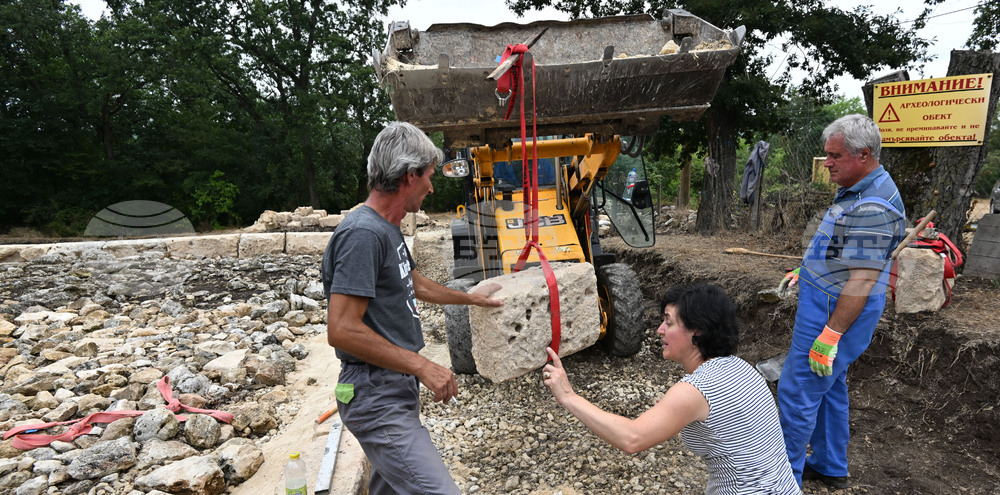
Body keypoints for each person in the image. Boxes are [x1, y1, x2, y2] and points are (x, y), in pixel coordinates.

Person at [324, 121, 502, 495]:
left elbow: (415, 284)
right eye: (430, 176)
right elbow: (341, 328)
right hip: (375, 394)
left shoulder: (387, 229)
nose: (432, 187)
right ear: (410, 175)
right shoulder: (363, 234)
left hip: (392, 385)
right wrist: (422, 365)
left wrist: (470, 296)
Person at [542, 284, 800, 495]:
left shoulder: (696, 389)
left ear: (696, 331)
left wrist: (568, 396)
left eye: (669, 322)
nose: (659, 330)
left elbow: (632, 438)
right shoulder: (740, 368)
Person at [777, 114, 905, 489]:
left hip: (835, 309)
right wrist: (807, 269)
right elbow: (842, 249)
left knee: (798, 389)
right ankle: (831, 465)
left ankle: (780, 481)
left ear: (863, 154)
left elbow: (862, 279)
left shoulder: (873, 208)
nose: (827, 163)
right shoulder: (857, 186)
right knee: (829, 385)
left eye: (834, 156)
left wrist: (831, 333)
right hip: (825, 296)